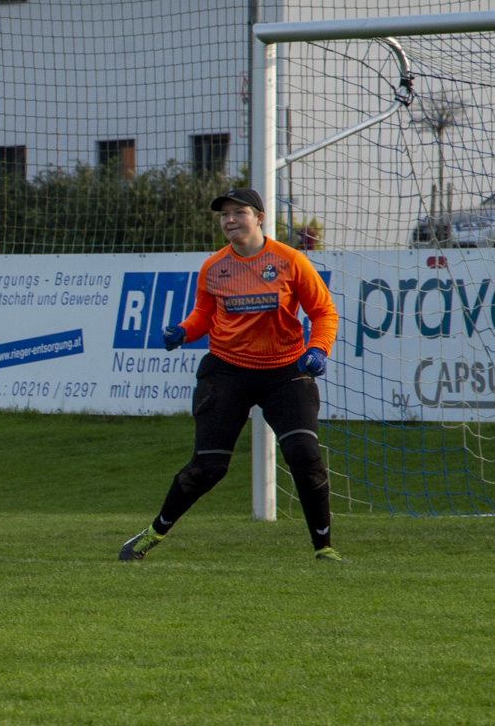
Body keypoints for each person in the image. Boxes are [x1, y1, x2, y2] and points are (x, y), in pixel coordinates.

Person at [119, 187, 347, 563]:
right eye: (224, 214)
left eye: (239, 212)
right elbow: (204, 315)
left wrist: (318, 349)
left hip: (285, 372)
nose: (229, 220)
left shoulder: (290, 261)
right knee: (208, 468)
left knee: (304, 455)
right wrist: (184, 331)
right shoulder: (214, 267)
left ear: (259, 218)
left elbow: (323, 312)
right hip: (227, 371)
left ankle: (324, 548)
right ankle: (152, 534)